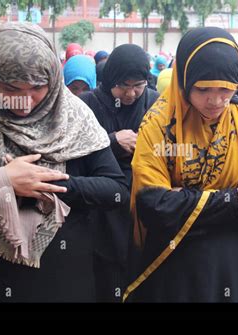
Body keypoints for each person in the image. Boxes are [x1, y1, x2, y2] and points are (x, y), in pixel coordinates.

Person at [0, 22, 129, 302]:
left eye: (38, 87)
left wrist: (49, 184)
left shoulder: (74, 117)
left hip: (63, 285)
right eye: (12, 88)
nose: (25, 102)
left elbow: (115, 190)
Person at [124, 27, 238, 302]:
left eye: (225, 89)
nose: (215, 100)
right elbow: (154, 206)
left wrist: (184, 200)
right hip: (174, 266)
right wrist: (234, 199)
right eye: (203, 89)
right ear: (184, 82)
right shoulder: (160, 125)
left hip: (235, 267)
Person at [79, 44, 159, 302]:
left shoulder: (154, 103)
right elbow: (75, 152)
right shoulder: (88, 104)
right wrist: (111, 141)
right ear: (110, 79)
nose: (131, 93)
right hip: (102, 208)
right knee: (106, 274)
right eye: (124, 85)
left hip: (143, 201)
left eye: (138, 85)